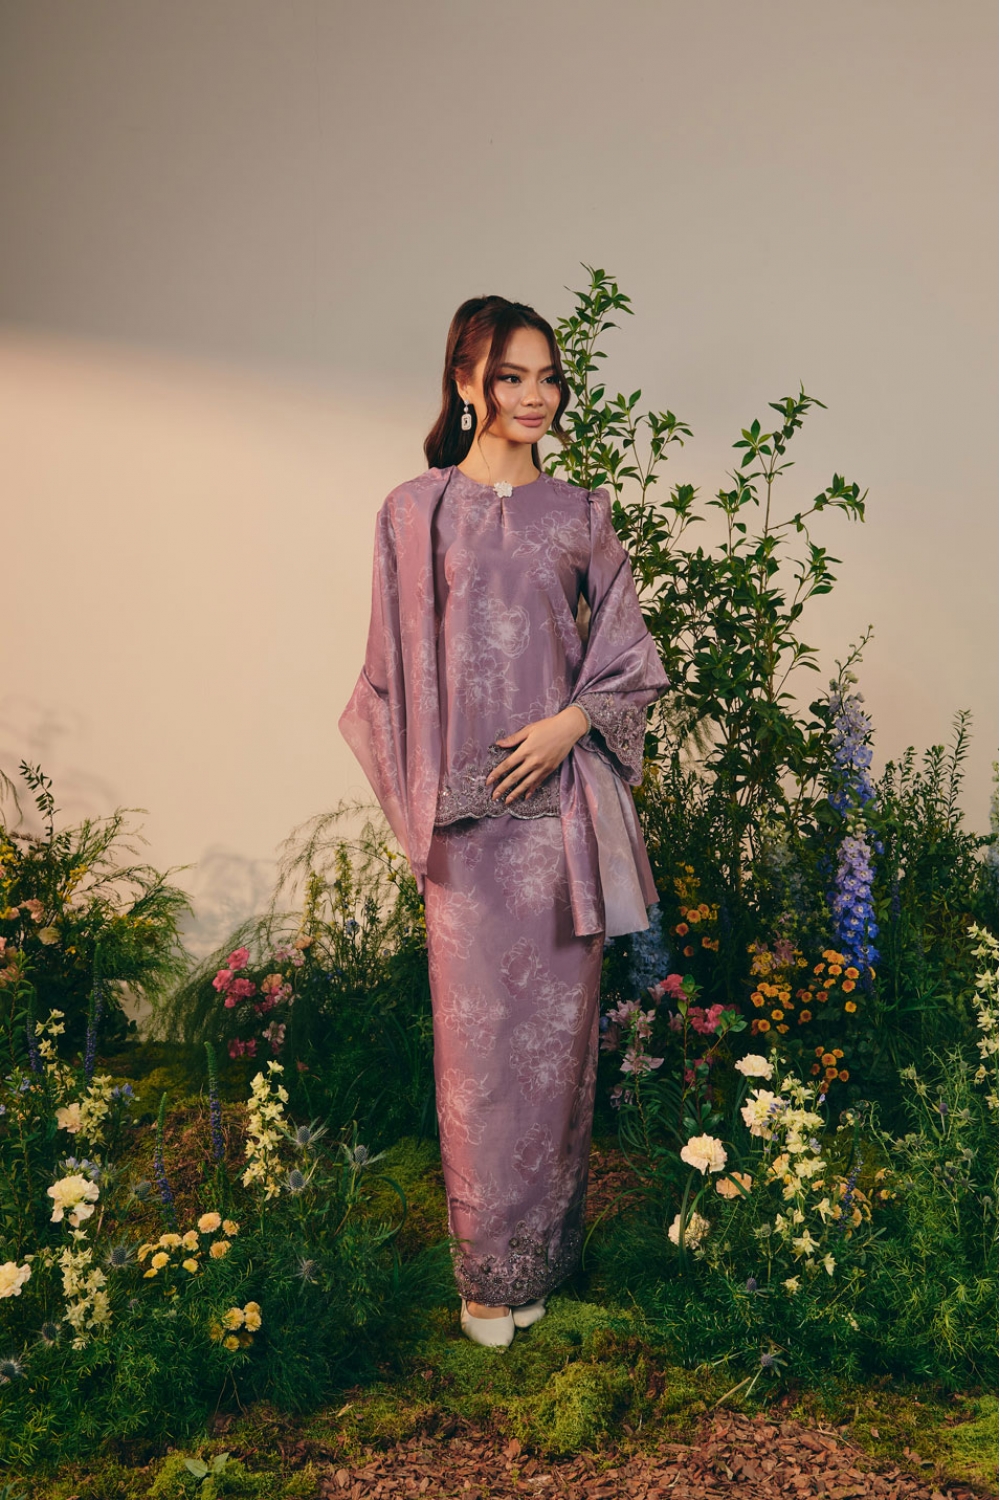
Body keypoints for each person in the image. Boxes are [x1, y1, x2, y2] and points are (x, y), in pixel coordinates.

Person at [339, 295, 670, 1347]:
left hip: (556, 824)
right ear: (465, 380)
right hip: (465, 833)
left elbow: (631, 659)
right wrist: (423, 815)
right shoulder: (413, 511)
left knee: (554, 1058)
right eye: (512, 376)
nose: (535, 397)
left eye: (548, 377)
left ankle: (543, 1260)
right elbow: (383, 680)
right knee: (479, 1060)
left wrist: (570, 724)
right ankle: (486, 1275)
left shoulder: (580, 513)